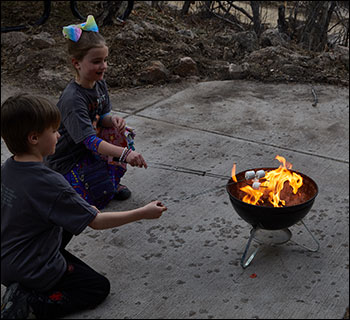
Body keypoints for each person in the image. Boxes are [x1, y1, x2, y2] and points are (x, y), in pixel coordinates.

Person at [1, 93, 167, 319]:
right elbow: (96, 223)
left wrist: (83, 211)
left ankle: (25, 283)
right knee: (97, 287)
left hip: (6, 260)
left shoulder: (7, 169)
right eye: (53, 131)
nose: (59, 135)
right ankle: (30, 302)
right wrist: (143, 212)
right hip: (32, 269)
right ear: (34, 138)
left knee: (71, 214)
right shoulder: (50, 183)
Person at [45, 15, 146, 209]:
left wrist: (113, 120)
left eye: (105, 60)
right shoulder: (73, 99)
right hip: (66, 159)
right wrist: (125, 154)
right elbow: (89, 141)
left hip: (88, 149)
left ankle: (110, 182)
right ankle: (85, 183)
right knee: (85, 205)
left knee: (123, 133)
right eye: (97, 61)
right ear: (77, 63)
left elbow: (103, 117)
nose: (104, 66)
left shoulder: (100, 84)